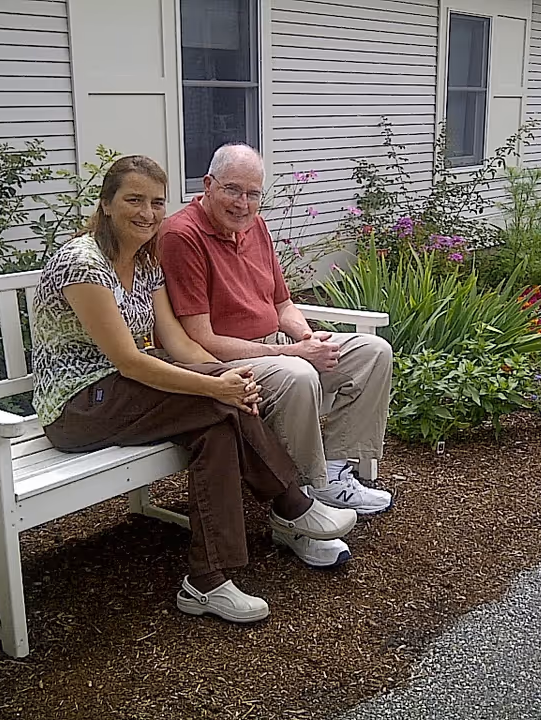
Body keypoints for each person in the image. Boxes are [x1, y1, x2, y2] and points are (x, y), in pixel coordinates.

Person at [31, 155, 357, 623]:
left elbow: (179, 343)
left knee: (218, 425)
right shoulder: (83, 264)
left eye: (156, 202)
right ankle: (291, 503)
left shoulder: (145, 262)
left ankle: (207, 582)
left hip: (127, 391)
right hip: (80, 406)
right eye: (134, 200)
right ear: (106, 203)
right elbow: (129, 361)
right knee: (218, 403)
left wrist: (223, 377)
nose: (147, 213)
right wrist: (214, 387)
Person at [159, 144, 394, 570]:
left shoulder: (257, 227)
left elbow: (282, 305)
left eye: (253, 194)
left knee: (372, 352)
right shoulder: (182, 235)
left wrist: (308, 337)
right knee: (297, 373)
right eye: (233, 190)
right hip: (223, 363)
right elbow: (201, 338)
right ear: (208, 185)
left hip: (275, 347)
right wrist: (294, 352)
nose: (243, 203)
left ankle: (331, 476)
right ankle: (295, 513)